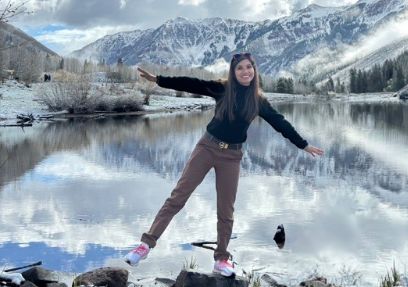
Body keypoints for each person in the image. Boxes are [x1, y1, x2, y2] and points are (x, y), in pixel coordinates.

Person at [124, 52, 324, 277]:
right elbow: (192, 84)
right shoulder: (222, 89)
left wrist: (303, 145)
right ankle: (145, 245)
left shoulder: (258, 100)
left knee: (226, 210)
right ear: (233, 71)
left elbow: (281, 123)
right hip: (206, 148)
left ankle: (221, 258)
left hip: (232, 157)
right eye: (240, 68)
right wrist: (158, 80)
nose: (245, 71)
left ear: (254, 71)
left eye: (249, 67)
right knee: (178, 197)